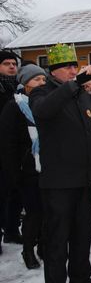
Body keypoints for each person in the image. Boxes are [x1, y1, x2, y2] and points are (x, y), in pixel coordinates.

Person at [29, 44, 91, 283]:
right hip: (59, 183)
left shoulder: (82, 95)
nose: (75, 71)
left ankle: (80, 279)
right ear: (54, 71)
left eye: (76, 66)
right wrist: (75, 84)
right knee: (56, 241)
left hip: (85, 179)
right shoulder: (43, 92)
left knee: (82, 234)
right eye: (68, 67)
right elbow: (43, 111)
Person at [0, 64, 47, 269]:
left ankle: (44, 246)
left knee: (48, 211)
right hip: (26, 170)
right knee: (34, 212)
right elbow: (7, 143)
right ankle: (28, 249)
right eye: (36, 80)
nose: (41, 83)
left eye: (43, 80)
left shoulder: (45, 104)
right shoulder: (15, 107)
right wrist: (14, 172)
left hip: (47, 166)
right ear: (25, 83)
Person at [0, 50, 20, 252]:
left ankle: (12, 230)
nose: (12, 66)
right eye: (7, 63)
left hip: (16, 148)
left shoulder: (18, 88)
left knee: (14, 190)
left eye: (14, 63)